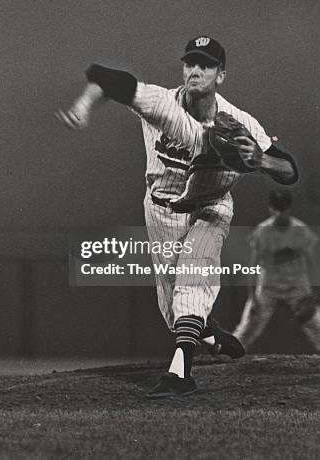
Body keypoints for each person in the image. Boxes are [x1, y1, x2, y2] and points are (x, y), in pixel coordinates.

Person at [57, 35, 298, 398]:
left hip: (212, 209)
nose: (196, 70)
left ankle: (180, 373)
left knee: (193, 280)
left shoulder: (241, 123)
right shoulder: (162, 105)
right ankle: (211, 334)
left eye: (206, 65)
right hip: (161, 209)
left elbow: (290, 171)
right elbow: (106, 77)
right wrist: (83, 106)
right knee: (172, 308)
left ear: (221, 75)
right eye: (190, 63)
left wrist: (261, 161)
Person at [233, 189, 319, 352]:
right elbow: (252, 265)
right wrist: (252, 297)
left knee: (316, 324)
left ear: (289, 209)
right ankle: (229, 353)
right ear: (271, 209)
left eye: (283, 209)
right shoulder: (262, 231)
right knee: (248, 326)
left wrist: (313, 292)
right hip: (268, 287)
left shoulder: (300, 229)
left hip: (297, 286)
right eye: (276, 209)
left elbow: (312, 261)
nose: (280, 213)